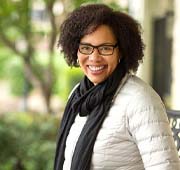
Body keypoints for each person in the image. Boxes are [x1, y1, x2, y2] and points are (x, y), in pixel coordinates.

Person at [54, 3, 180, 170]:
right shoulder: (77, 95)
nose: (94, 57)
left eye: (105, 48)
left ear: (121, 51)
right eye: (86, 48)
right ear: (76, 50)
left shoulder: (140, 100)